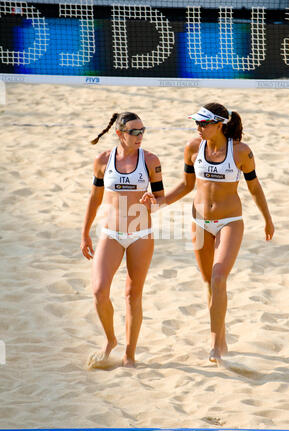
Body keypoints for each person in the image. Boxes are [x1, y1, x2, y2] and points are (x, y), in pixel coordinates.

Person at [164, 103, 275, 364]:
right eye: (197, 123)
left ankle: (215, 345)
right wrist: (158, 203)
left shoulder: (241, 152)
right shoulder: (193, 147)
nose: (198, 127)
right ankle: (221, 337)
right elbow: (186, 185)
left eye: (203, 123)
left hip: (230, 222)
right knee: (209, 284)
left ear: (219, 125)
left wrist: (267, 219)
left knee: (218, 277)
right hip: (200, 222)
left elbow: (255, 188)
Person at [81, 112, 165, 368]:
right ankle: (110, 340)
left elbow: (161, 198)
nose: (140, 136)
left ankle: (130, 354)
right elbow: (95, 198)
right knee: (99, 291)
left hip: (140, 233)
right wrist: (85, 233)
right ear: (120, 134)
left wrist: (153, 202)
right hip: (111, 232)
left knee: (132, 295)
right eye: (134, 132)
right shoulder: (103, 160)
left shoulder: (150, 160)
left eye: (143, 131)